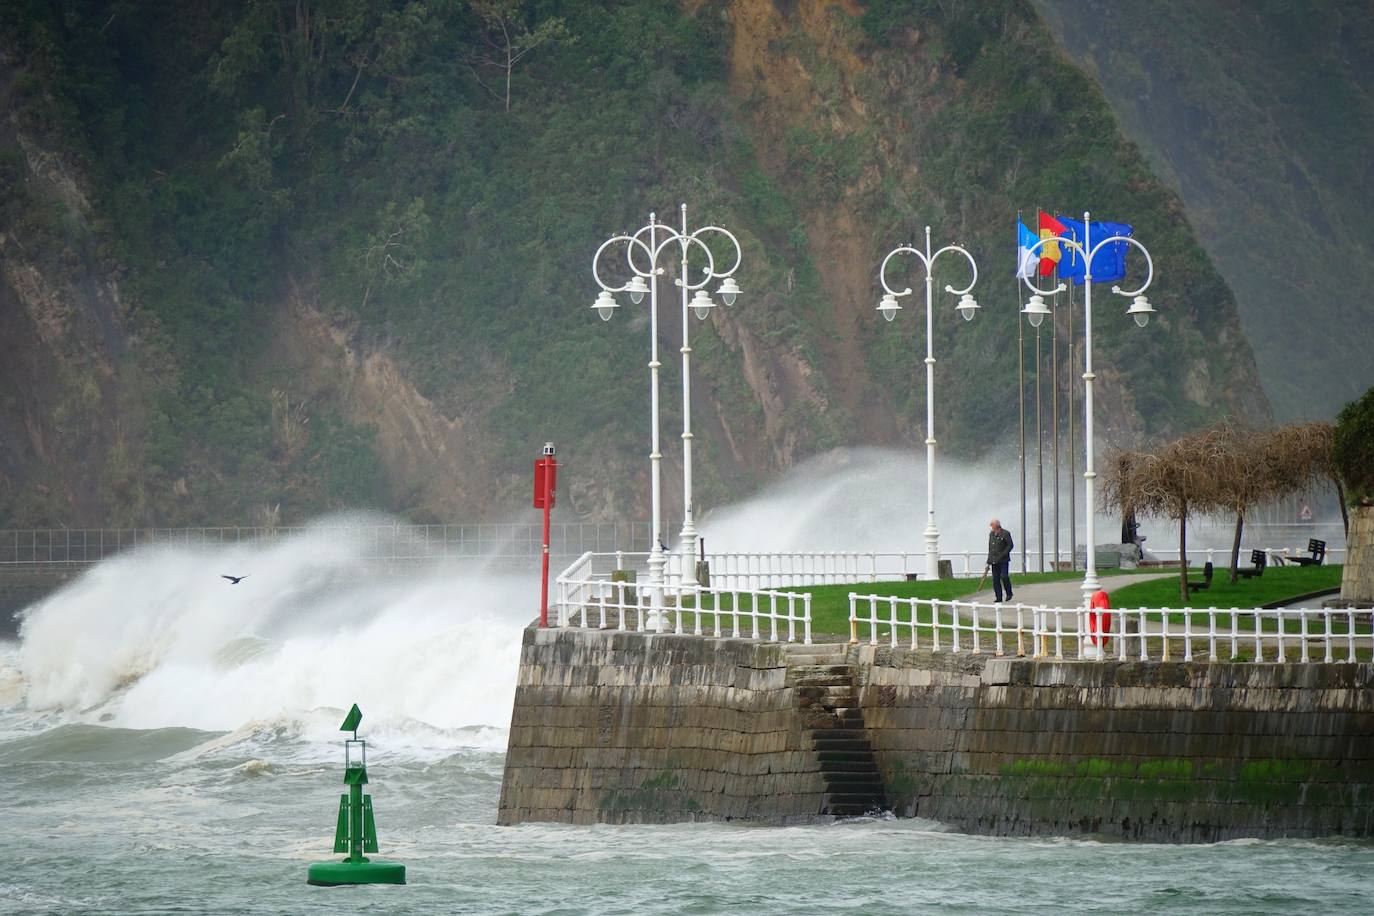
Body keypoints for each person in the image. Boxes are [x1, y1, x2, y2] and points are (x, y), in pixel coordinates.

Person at [987, 519, 1014, 603]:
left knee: (1004, 576)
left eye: (992, 525)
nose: (991, 527)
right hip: (994, 561)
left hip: (1003, 560)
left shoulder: (1005, 533)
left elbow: (1010, 545)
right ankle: (998, 597)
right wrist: (989, 559)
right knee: (995, 579)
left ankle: (1009, 593)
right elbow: (991, 547)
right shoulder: (991, 534)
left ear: (997, 525)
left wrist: (1004, 554)